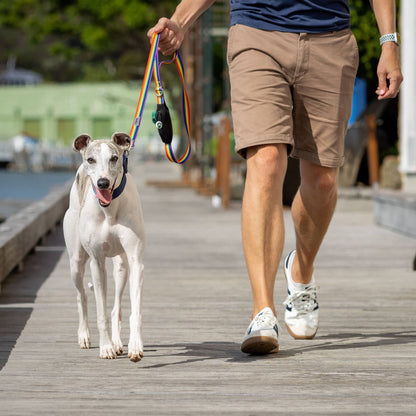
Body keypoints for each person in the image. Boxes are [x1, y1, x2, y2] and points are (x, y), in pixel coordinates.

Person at [148, 0, 403, 355]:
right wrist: (180, 21)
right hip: (256, 33)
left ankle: (300, 269)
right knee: (265, 162)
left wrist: (389, 42)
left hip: (330, 38)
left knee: (323, 180)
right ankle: (262, 310)